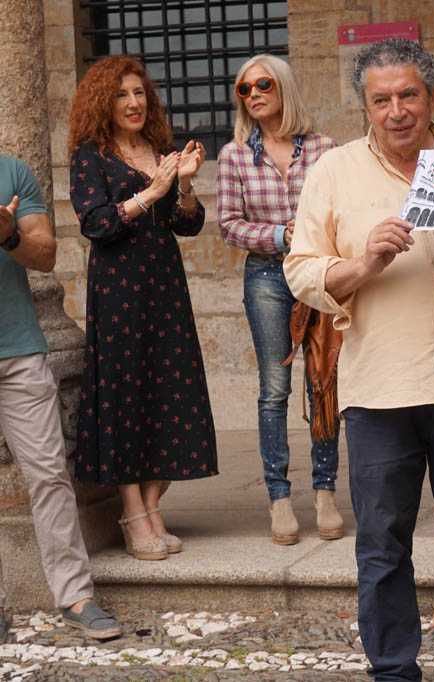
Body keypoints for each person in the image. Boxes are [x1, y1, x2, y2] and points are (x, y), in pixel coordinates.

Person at [284, 38, 434, 682]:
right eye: (381, 100)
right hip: (381, 387)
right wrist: (365, 262)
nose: (397, 111)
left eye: (409, 95)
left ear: (431, 97)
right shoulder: (334, 171)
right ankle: (393, 669)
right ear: (365, 107)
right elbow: (301, 271)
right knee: (383, 540)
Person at [68, 56, 218, 560]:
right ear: (102, 103)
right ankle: (133, 514)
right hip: (118, 291)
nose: (133, 103)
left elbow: (186, 225)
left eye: (138, 93)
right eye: (121, 95)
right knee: (125, 395)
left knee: (171, 390)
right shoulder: (91, 156)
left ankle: (152, 507)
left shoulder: (159, 150)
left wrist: (185, 183)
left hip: (164, 288)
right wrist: (152, 191)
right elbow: (96, 223)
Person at [217, 54, 343, 545]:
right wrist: (278, 234)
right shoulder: (234, 156)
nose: (253, 95)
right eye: (244, 89)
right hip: (268, 275)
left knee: (323, 383)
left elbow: (341, 206)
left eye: (262, 85)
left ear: (283, 86)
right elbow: (229, 225)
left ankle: (326, 492)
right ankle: (279, 498)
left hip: (318, 272)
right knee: (274, 389)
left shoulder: (324, 149)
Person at [0, 155, 122, 641]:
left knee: (50, 474)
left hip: (19, 350)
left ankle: (75, 596)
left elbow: (46, 254)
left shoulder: (13, 172)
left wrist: (9, 236)